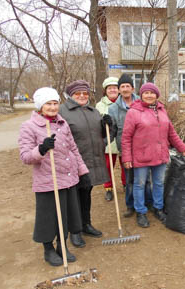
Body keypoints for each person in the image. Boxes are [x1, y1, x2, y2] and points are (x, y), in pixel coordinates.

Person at [18, 87, 89, 267]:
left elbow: (73, 149)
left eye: (55, 103)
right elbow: (25, 157)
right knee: (48, 217)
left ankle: (62, 246)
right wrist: (41, 149)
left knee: (65, 216)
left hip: (68, 178)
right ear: (40, 106)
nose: (52, 107)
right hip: (47, 181)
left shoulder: (62, 123)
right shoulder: (29, 126)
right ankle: (48, 249)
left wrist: (83, 171)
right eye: (48, 103)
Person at [121, 82, 185, 228]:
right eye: (146, 93)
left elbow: (171, 133)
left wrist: (182, 147)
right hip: (141, 156)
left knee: (159, 183)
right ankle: (141, 212)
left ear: (156, 95)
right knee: (139, 184)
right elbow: (126, 137)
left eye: (152, 93)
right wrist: (126, 158)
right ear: (141, 95)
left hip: (160, 155)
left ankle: (158, 208)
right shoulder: (133, 112)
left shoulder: (161, 110)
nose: (149, 95)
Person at [59, 80, 113, 248]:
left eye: (85, 93)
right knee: (73, 198)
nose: (82, 96)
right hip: (72, 163)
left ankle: (85, 224)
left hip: (91, 161)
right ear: (70, 95)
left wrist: (109, 126)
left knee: (86, 195)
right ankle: (74, 231)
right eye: (77, 93)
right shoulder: (62, 112)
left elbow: (103, 137)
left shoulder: (94, 112)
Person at [109, 74, 153, 218]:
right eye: (122, 86)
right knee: (129, 180)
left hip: (144, 148)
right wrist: (107, 130)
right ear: (119, 90)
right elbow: (113, 130)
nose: (125, 89)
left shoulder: (142, 103)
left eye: (128, 86)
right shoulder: (113, 108)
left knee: (146, 179)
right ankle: (130, 205)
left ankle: (147, 203)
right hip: (125, 149)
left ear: (133, 88)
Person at [95, 76, 121, 202]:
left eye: (115, 88)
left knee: (126, 166)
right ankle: (108, 188)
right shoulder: (100, 105)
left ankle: (127, 185)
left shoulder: (124, 102)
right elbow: (96, 123)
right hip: (108, 142)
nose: (112, 90)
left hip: (123, 139)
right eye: (109, 88)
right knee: (107, 166)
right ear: (105, 90)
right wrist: (102, 122)